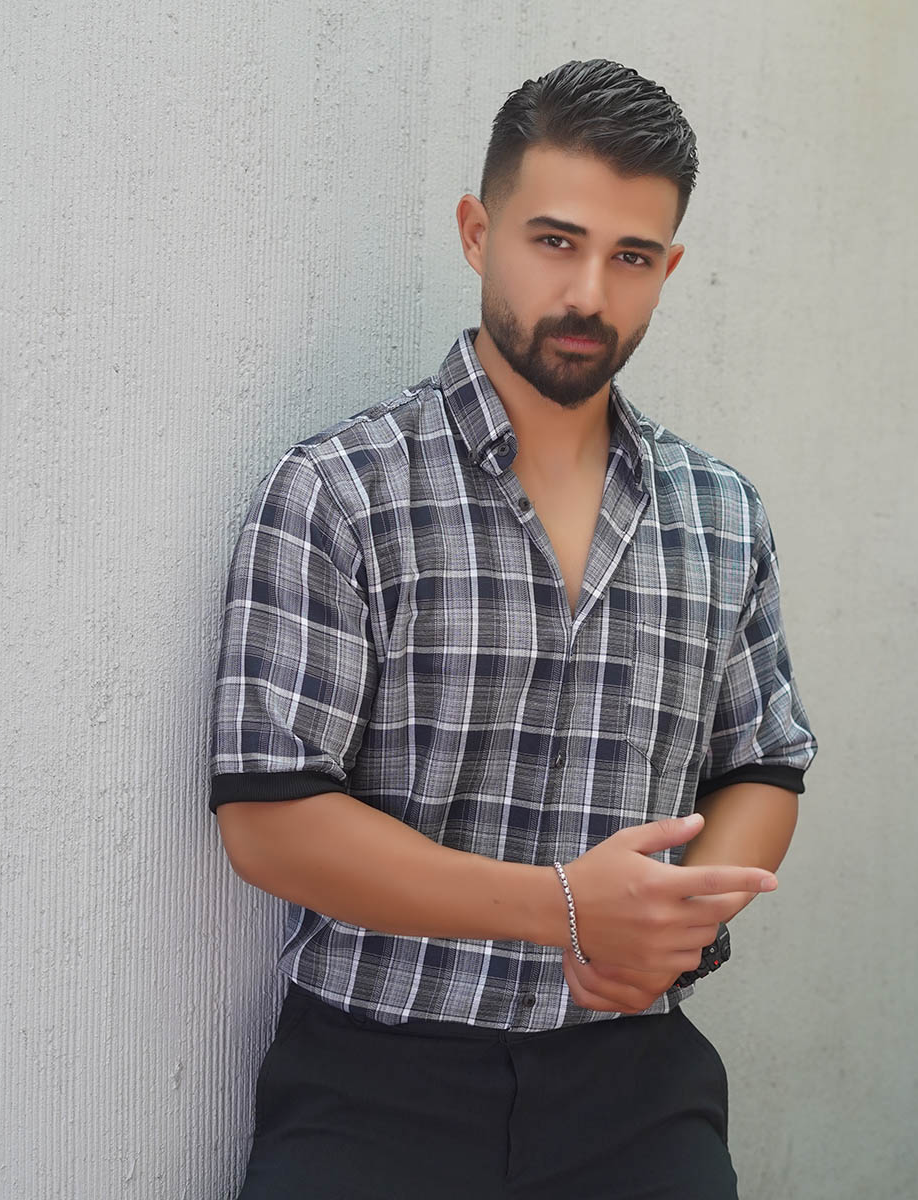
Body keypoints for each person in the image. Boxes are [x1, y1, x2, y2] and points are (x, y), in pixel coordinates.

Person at [209, 58, 816, 1200]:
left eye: (631, 256)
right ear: (477, 233)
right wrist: (568, 911)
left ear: (669, 268)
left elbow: (764, 765)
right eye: (554, 241)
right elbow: (268, 819)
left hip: (637, 1089)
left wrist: (673, 926)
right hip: (373, 1081)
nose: (588, 291)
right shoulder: (340, 491)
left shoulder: (722, 512)